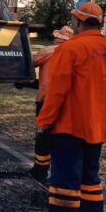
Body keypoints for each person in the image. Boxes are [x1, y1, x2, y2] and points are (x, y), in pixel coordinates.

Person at [28, 1, 106, 212]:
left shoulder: (70, 50)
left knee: (64, 184)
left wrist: (44, 123)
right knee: (90, 181)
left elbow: (56, 92)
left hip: (70, 126)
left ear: (78, 22)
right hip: (98, 127)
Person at [29, 25, 73, 182]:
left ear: (60, 39)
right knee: (61, 137)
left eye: (58, 36)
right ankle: (60, 172)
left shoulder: (50, 51)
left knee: (43, 136)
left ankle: (39, 171)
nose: (55, 38)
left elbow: (30, 62)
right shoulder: (75, 53)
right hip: (67, 103)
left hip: (46, 100)